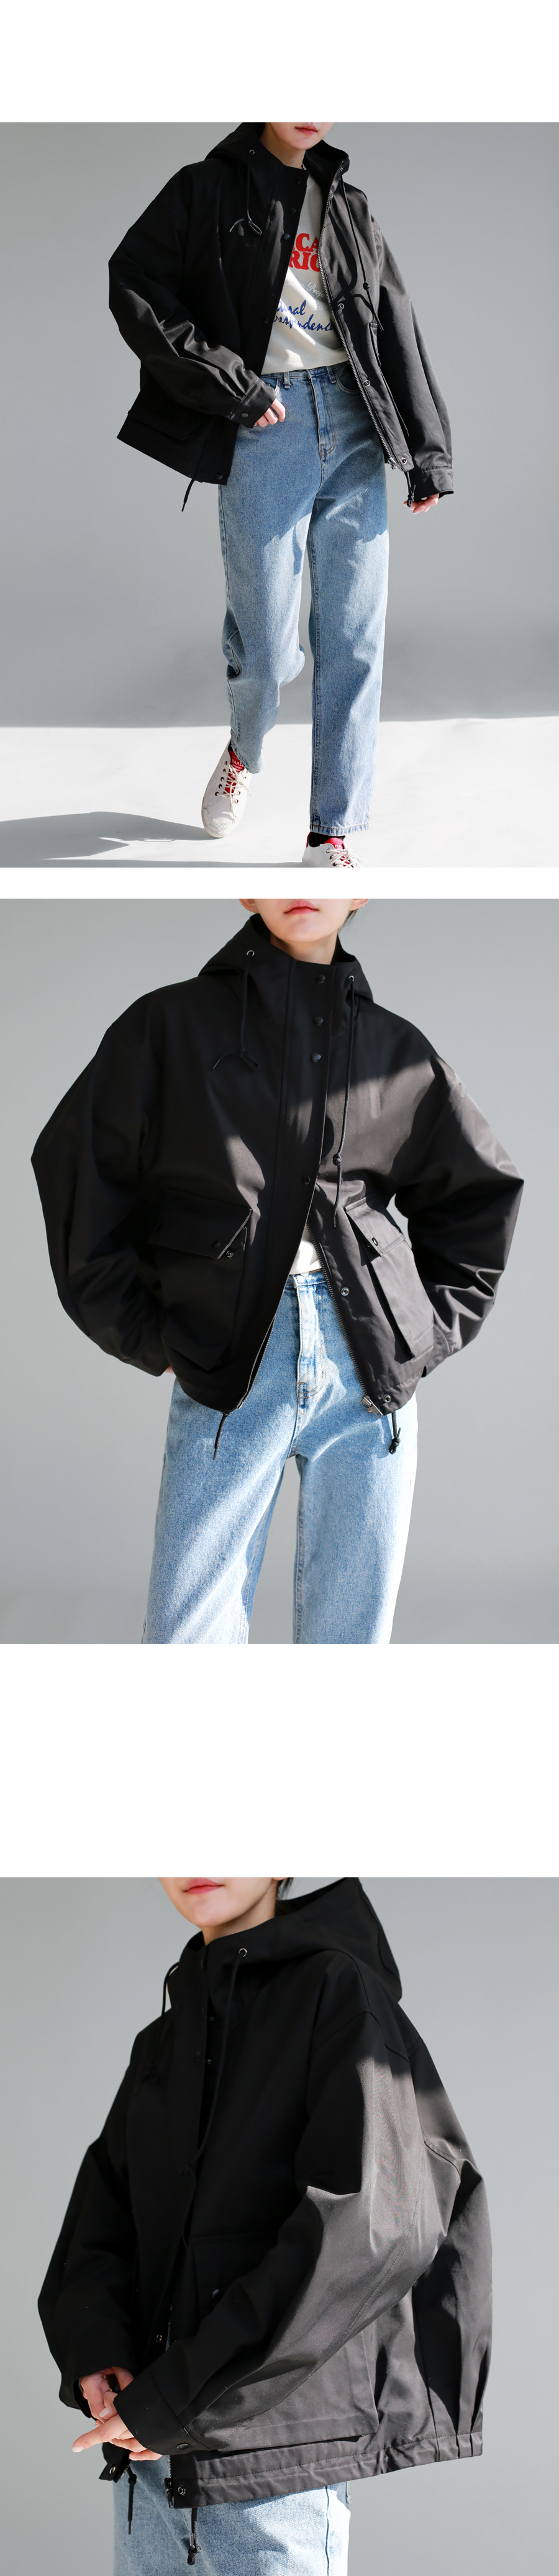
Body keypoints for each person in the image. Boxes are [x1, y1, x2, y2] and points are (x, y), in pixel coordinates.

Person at [31, 900, 522, 1646]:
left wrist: (419, 1332)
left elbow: (479, 1193)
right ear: (244, 891)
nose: (300, 889)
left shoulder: (395, 1049)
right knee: (187, 1638)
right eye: (274, 865)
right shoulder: (169, 1027)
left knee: (349, 1645)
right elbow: (78, 1169)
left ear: (358, 891)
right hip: (229, 1359)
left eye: (323, 868)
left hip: (368, 1373)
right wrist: (148, 1333)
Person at [39, 1874, 492, 2576]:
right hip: (149, 2460)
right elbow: (103, 2214)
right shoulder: (164, 2041)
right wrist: (98, 2349)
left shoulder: (337, 1993)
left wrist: (181, 2395)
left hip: (267, 2472)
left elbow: (373, 2223)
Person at [108, 124, 453, 866]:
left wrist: (426, 450)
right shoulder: (206, 188)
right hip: (267, 424)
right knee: (267, 649)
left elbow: (394, 319)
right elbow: (134, 280)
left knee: (355, 639)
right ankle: (245, 746)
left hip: (355, 423)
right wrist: (231, 383)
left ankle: (333, 833)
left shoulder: (350, 205)